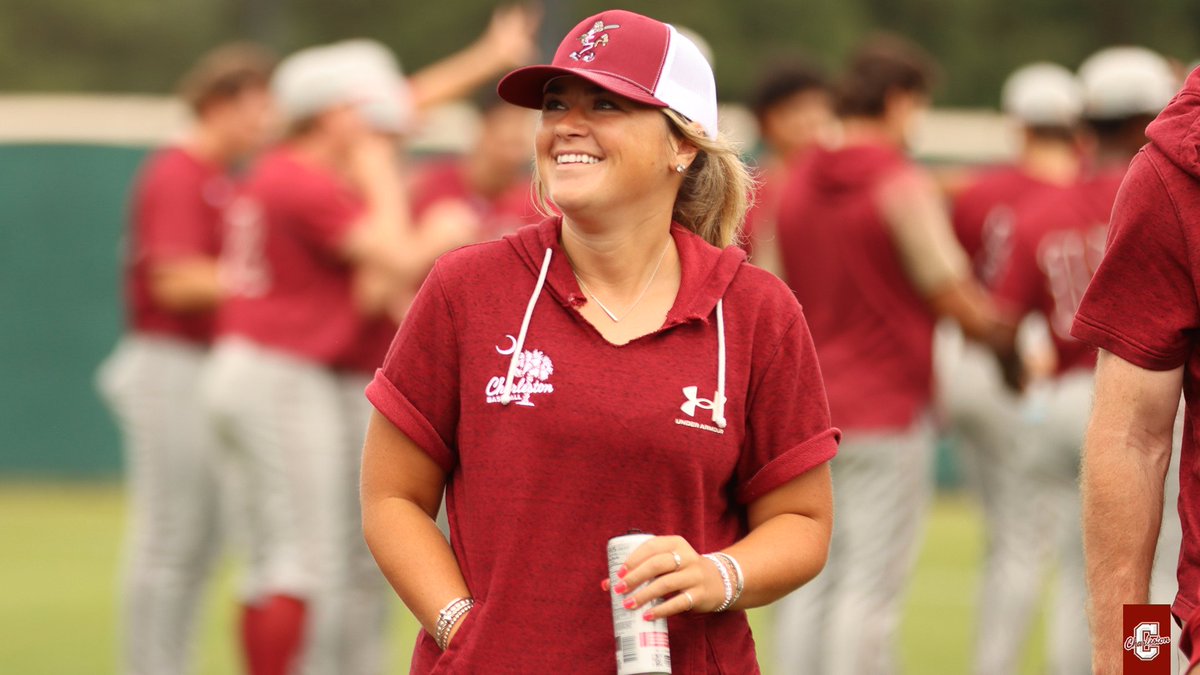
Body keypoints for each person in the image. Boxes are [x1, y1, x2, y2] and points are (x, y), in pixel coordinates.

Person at [359, 9, 840, 673]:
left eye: (606, 103)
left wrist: (717, 573)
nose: (566, 125)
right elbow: (391, 497)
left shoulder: (756, 311)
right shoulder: (467, 286)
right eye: (556, 104)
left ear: (683, 145)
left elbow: (804, 521)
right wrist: (460, 626)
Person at [202, 39, 480, 675]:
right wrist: (415, 213)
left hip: (267, 367)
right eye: (367, 113)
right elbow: (399, 259)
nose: (383, 128)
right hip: (278, 369)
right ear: (331, 114)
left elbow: (371, 286)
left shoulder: (293, 170)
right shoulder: (300, 176)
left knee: (285, 555)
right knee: (304, 558)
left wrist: (487, 55)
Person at [772, 34, 1017, 675]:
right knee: (869, 588)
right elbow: (950, 289)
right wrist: (1004, 340)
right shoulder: (897, 180)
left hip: (804, 410)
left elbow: (771, 296)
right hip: (887, 405)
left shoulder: (792, 184)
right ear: (900, 100)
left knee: (809, 581)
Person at [991, 46, 1179, 674]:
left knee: (1081, 579)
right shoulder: (1165, 186)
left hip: (1068, 398)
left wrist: (1016, 381)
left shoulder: (1042, 207)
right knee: (1155, 575)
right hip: (1154, 400)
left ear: (1082, 126)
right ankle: (1145, 665)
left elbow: (1003, 317)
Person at [95, 43, 276, 675]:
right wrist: (266, 281)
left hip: (202, 362)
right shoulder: (178, 171)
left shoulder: (224, 175)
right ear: (220, 105)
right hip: (169, 360)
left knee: (198, 543)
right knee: (170, 541)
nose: (263, 123)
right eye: (255, 109)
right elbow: (173, 280)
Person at [941, 61, 1083, 675]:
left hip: (974, 360)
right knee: (1108, 560)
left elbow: (962, 289)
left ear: (1018, 124)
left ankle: (993, 665)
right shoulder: (1097, 189)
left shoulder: (975, 190)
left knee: (1014, 542)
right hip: (1064, 366)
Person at [409, 92, 540, 243]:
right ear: (484, 125)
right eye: (509, 121)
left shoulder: (535, 201)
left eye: (525, 123)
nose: (517, 133)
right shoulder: (430, 182)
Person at [743, 59, 834, 269]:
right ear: (764, 120)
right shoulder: (748, 194)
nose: (810, 120)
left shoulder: (840, 184)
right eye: (795, 109)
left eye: (818, 106)